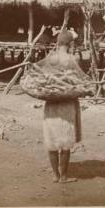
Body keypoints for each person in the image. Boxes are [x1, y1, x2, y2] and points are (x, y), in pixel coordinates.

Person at [37, 30, 89, 183]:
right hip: (66, 103)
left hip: (51, 103)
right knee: (65, 141)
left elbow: (41, 80)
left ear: (58, 43)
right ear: (70, 44)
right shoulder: (72, 60)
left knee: (52, 140)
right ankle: (64, 176)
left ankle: (55, 175)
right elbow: (80, 81)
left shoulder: (49, 58)